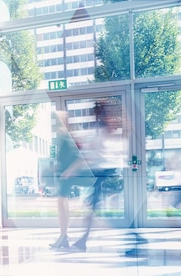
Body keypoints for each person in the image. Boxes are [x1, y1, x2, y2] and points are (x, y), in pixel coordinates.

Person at [50, 99, 126, 251]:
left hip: (103, 174)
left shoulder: (98, 131)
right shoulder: (103, 130)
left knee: (94, 209)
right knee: (92, 209)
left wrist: (70, 170)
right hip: (103, 173)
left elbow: (88, 155)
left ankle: (78, 240)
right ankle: (79, 240)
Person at [48, 111, 82, 249]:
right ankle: (63, 237)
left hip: (66, 176)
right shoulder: (64, 136)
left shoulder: (69, 136)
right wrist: (56, 168)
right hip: (64, 175)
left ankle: (63, 237)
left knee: (62, 206)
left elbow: (79, 156)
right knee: (62, 206)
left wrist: (69, 170)